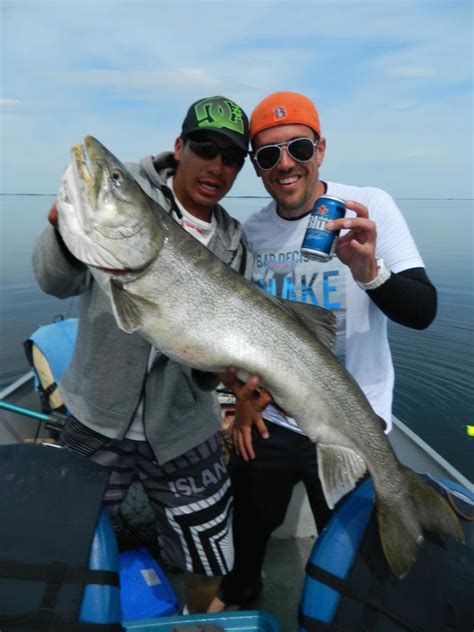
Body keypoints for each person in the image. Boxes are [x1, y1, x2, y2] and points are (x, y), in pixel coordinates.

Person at [212, 91, 438, 610]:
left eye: (298, 147)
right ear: (257, 167)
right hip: (274, 422)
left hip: (352, 425)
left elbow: (422, 311)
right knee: (246, 544)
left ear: (321, 149)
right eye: (267, 155)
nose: (285, 164)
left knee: (348, 563)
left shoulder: (370, 206)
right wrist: (241, 399)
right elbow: (241, 332)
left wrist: (369, 272)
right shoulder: (251, 232)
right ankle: (243, 606)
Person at [32, 95, 254, 614]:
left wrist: (225, 372)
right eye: (205, 148)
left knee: (210, 557)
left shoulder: (234, 242)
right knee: (71, 538)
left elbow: (210, 374)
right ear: (179, 147)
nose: (216, 166)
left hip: (184, 428)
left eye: (231, 158)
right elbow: (52, 280)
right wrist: (63, 233)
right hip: (95, 415)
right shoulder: (129, 192)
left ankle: (197, 617)